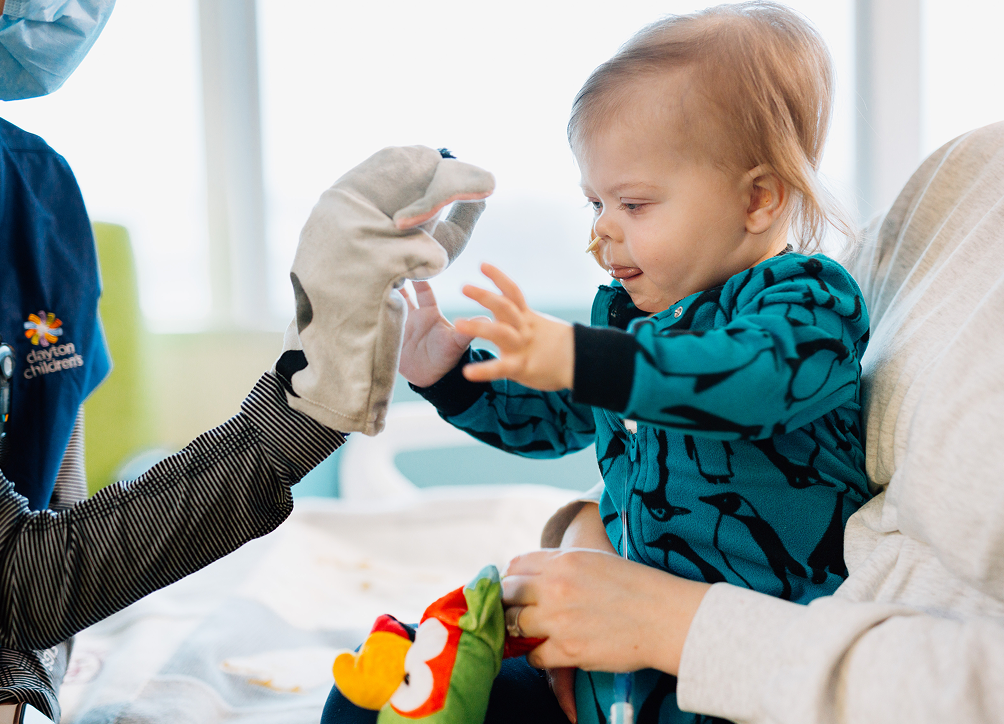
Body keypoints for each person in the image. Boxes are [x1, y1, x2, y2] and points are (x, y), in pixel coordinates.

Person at [323, 3, 869, 723]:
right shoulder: (626, 315)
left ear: (758, 198)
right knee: (371, 697)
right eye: (595, 202)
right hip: (603, 676)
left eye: (635, 204)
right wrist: (451, 377)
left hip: (734, 676)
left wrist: (582, 357)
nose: (603, 230)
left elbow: (746, 380)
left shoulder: (809, 303)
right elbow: (553, 421)